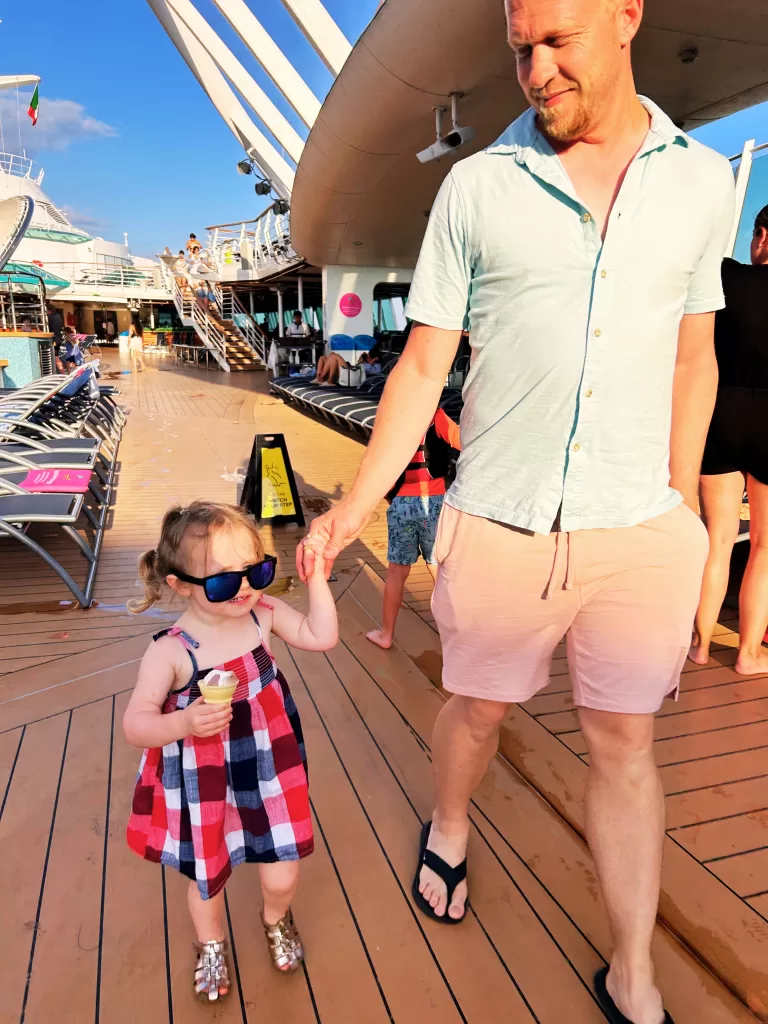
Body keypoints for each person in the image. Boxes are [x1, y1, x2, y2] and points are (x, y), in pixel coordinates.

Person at [297, 1, 735, 1021]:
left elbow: (693, 352)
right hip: (497, 520)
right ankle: (449, 822)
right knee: (479, 709)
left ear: (627, 14)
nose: (535, 72)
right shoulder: (476, 189)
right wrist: (352, 505)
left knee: (625, 744)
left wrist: (679, 508)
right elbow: (420, 368)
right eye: (520, 47)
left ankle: (633, 972)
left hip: (640, 531)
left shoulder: (701, 185)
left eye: (559, 41)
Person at [123, 502, 337, 1001]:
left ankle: (275, 917)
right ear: (179, 584)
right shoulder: (172, 651)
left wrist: (320, 579)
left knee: (283, 868)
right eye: (221, 581)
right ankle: (211, 942)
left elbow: (320, 635)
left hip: (268, 762)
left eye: (256, 570)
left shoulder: (262, 616)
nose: (243, 587)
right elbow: (136, 725)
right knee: (208, 874)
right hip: (203, 774)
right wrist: (183, 720)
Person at [691, 204, 768, 675]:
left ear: (760, 236)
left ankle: (699, 645)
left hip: (721, 414)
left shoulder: (728, 280)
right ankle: (748, 653)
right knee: (763, 545)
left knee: (716, 540)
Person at [367, 406, 461, 650]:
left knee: (397, 572)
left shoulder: (391, 418)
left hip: (402, 503)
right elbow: (461, 444)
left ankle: (386, 634)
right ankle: (456, 639)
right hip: (435, 503)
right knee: (438, 569)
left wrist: (393, 498)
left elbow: (379, 465)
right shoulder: (435, 415)